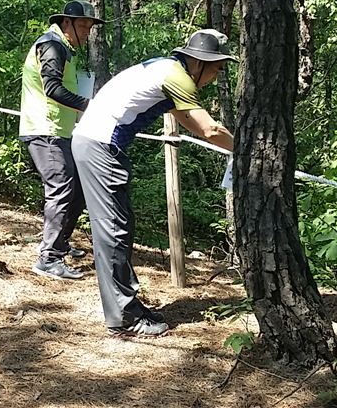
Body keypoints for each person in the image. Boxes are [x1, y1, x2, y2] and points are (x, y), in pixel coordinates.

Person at [72, 29, 236, 338]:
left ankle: (125, 305)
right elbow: (209, 129)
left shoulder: (165, 68)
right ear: (200, 63)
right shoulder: (179, 77)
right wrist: (248, 150)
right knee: (113, 230)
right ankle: (123, 316)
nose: (218, 75)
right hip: (100, 146)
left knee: (118, 225)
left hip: (94, 143)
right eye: (218, 67)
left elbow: (188, 121)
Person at [20, 0, 98, 281]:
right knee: (61, 189)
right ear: (67, 23)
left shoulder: (62, 47)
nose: (87, 31)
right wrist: (89, 105)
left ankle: (60, 244)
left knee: (75, 189)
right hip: (45, 130)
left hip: (57, 131)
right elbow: (51, 88)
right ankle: (49, 258)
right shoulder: (52, 46)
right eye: (83, 26)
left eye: (89, 27)